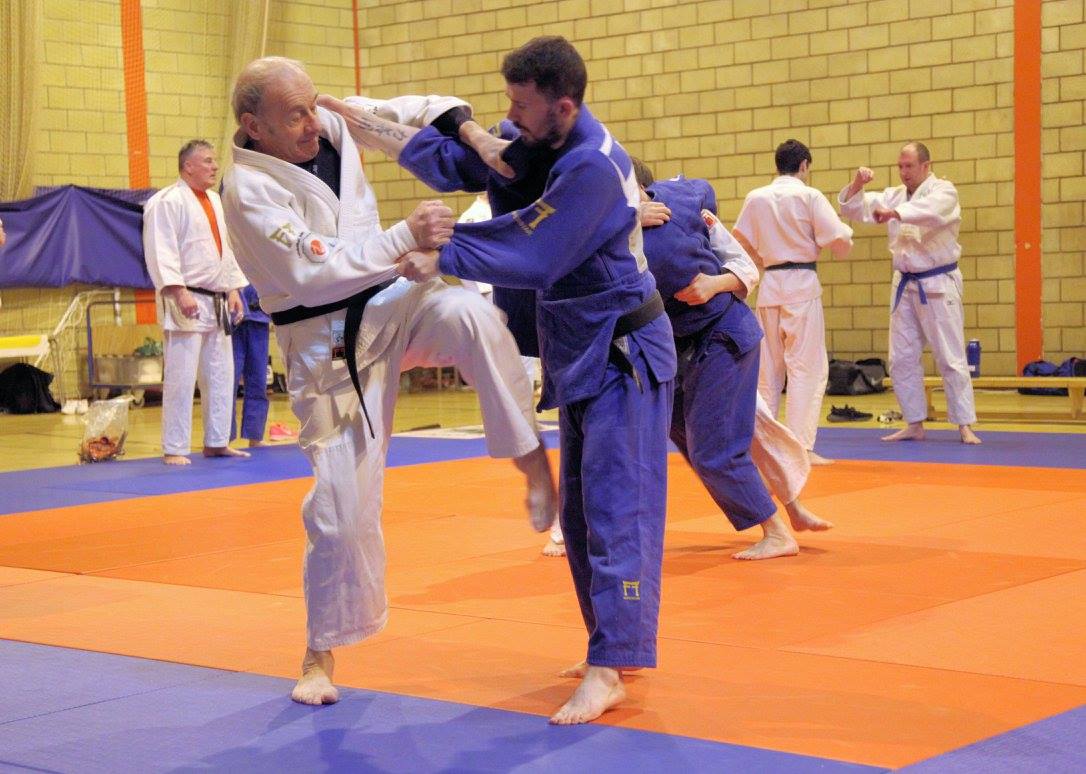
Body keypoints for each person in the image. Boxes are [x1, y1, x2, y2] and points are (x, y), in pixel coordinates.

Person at [326, 36, 677, 725]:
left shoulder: (591, 166)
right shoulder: (537, 139)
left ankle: (611, 665)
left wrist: (442, 251)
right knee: (580, 515)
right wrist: (361, 125)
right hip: (583, 347)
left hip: (625, 351)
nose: (509, 116)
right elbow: (460, 161)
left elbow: (537, 250)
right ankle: (610, 645)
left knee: (617, 506)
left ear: (563, 106)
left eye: (521, 104)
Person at [220, 57, 557, 708]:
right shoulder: (248, 190)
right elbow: (315, 271)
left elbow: (422, 108)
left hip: (392, 300)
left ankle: (530, 458)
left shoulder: (335, 123)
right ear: (253, 126)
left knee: (471, 315)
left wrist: (477, 137)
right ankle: (320, 653)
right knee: (341, 509)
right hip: (326, 342)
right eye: (295, 114)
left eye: (312, 104)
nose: (312, 121)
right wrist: (406, 234)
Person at [634, 160, 830, 560]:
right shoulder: (608, 229)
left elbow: (744, 266)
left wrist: (712, 284)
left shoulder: (686, 211)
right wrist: (626, 220)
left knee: (715, 447)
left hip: (723, 334)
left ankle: (776, 529)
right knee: (718, 434)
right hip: (678, 347)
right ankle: (788, 510)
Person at [838, 142, 980, 444]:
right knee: (901, 358)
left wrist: (894, 213)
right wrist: (857, 184)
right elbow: (854, 208)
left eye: (909, 166)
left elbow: (930, 212)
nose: (904, 172)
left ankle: (964, 424)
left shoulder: (944, 192)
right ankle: (914, 423)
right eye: (900, 167)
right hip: (904, 284)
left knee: (950, 357)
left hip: (938, 282)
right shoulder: (895, 195)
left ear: (926, 166)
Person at [733, 140, 854, 466]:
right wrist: (843, 238)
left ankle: (760, 447)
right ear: (804, 166)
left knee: (767, 371)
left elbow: (739, 240)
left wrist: (763, 260)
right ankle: (801, 449)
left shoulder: (756, 198)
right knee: (806, 368)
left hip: (770, 285)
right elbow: (839, 238)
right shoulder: (809, 196)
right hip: (801, 286)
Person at [143, 140, 248, 466]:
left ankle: (217, 442)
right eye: (207, 161)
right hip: (185, 296)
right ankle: (174, 446)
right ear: (188, 166)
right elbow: (161, 249)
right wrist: (178, 291)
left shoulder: (215, 201)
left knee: (221, 374)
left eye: (214, 161)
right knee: (182, 376)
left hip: (217, 300)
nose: (214, 166)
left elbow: (226, 249)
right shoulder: (166, 201)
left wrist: (233, 289)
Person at [230, 284, 271, 446]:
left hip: (259, 317)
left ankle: (255, 436)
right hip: (232, 319)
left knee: (258, 381)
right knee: (228, 383)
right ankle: (223, 438)